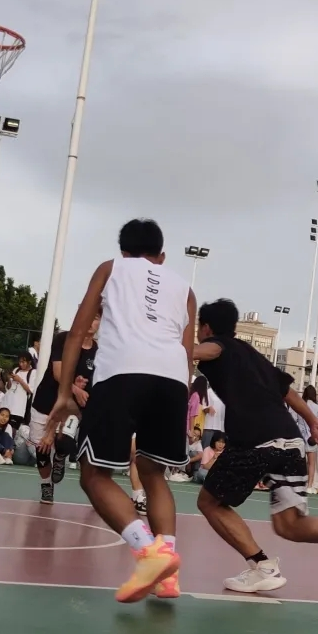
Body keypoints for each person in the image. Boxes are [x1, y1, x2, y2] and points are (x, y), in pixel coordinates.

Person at [45, 218, 194, 603]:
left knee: (94, 475)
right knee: (153, 474)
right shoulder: (186, 288)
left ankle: (150, 553)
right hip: (173, 379)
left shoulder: (111, 268)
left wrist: (64, 393)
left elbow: (76, 334)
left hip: (123, 371)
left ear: (124, 251)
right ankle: (168, 576)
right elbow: (188, 352)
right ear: (162, 256)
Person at [192, 298, 318, 593]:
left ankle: (262, 567)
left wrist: (178, 348)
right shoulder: (252, 354)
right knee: (289, 524)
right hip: (291, 440)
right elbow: (287, 391)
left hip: (255, 439)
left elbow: (212, 349)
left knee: (209, 502)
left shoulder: (218, 345)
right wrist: (313, 421)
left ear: (206, 328)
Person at [32, 314, 99, 505]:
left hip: (71, 407)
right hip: (46, 401)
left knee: (65, 441)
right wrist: (75, 387)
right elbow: (58, 373)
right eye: (89, 315)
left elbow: (91, 381)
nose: (91, 321)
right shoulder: (64, 339)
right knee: (42, 450)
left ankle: (61, 456)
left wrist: (83, 386)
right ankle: (46, 484)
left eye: (96, 317)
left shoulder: (98, 351)